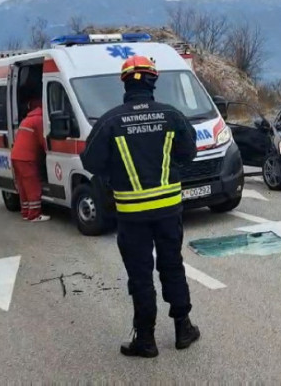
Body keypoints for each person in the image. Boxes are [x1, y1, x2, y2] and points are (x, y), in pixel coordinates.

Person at [80, 55, 200, 358]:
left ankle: (145, 339)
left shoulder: (110, 121)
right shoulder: (171, 116)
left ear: (124, 83)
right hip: (169, 208)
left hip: (132, 213)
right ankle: (183, 328)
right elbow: (189, 154)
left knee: (140, 274)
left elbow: (90, 161)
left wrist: (113, 174)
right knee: (172, 265)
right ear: (153, 81)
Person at [11, 97, 49, 222]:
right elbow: (43, 140)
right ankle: (34, 215)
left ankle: (26, 212)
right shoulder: (39, 120)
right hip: (27, 157)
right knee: (32, 185)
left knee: (23, 186)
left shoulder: (26, 120)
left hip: (16, 156)